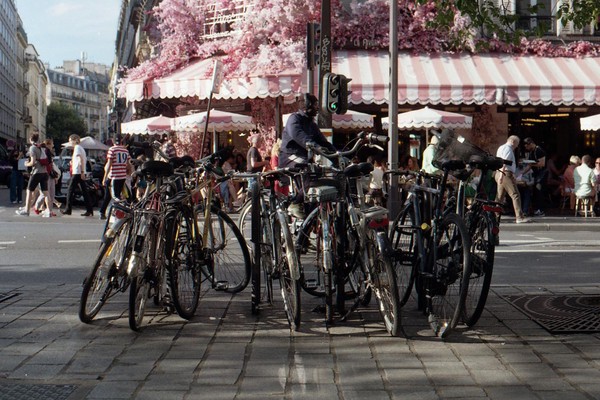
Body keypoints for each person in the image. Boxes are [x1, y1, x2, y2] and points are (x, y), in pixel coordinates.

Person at [279, 93, 336, 218]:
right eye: (315, 105)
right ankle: (295, 203)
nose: (317, 108)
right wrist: (312, 144)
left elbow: (324, 142)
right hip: (290, 156)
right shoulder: (294, 119)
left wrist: (337, 156)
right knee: (309, 172)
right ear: (307, 105)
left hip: (304, 159)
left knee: (317, 174)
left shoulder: (312, 124)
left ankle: (310, 215)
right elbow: (298, 135)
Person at [495, 135, 530, 224]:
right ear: (513, 142)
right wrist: (502, 176)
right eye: (517, 143)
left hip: (500, 172)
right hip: (505, 173)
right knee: (515, 194)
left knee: (500, 196)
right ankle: (519, 217)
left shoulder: (501, 147)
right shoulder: (508, 149)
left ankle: (495, 216)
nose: (517, 146)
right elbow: (504, 162)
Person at [15, 132, 52, 217]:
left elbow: (32, 162)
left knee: (29, 191)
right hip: (44, 172)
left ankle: (26, 211)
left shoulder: (32, 148)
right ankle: (49, 211)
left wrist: (26, 164)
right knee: (46, 193)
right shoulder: (42, 147)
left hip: (36, 172)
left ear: (30, 139)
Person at [99, 136, 131, 220]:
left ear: (113, 141)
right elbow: (128, 165)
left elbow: (109, 164)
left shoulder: (112, 149)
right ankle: (103, 212)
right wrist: (128, 173)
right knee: (110, 195)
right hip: (122, 176)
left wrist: (104, 177)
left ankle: (118, 212)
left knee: (114, 196)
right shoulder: (125, 150)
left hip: (113, 176)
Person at [61, 134, 94, 217]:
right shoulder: (80, 148)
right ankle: (89, 210)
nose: (69, 142)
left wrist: (82, 171)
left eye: (70, 141)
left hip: (77, 172)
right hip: (80, 172)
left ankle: (68, 209)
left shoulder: (77, 148)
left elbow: (80, 160)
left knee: (70, 190)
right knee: (84, 191)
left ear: (75, 140)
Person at [523, 137, 547, 217]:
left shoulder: (539, 150)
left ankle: (541, 210)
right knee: (535, 191)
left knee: (539, 190)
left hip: (542, 173)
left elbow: (542, 163)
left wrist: (532, 164)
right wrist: (521, 173)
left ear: (530, 144)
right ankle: (537, 209)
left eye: (527, 146)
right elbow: (529, 165)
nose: (526, 148)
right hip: (536, 174)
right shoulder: (531, 152)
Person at [33, 138, 58, 216]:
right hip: (45, 174)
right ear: (48, 144)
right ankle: (37, 207)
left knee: (51, 194)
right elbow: (46, 163)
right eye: (52, 143)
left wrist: (54, 175)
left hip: (50, 174)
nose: (53, 145)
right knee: (45, 193)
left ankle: (49, 210)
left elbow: (51, 164)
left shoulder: (49, 152)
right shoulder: (44, 151)